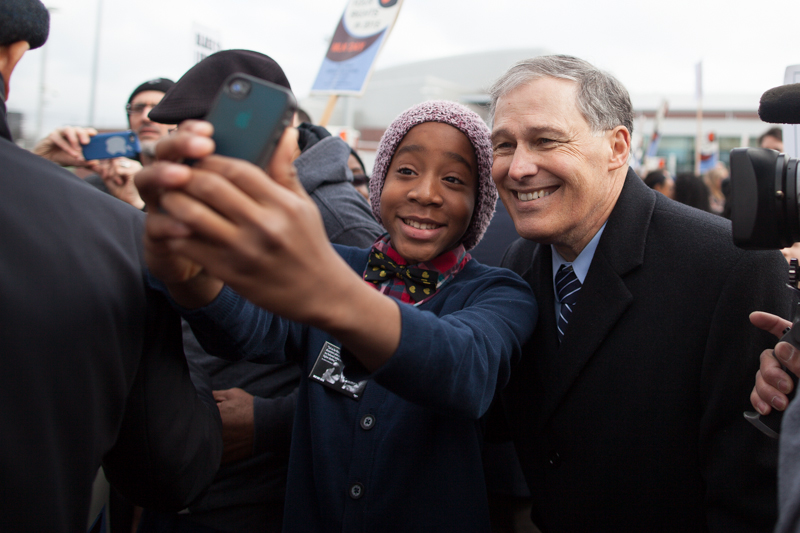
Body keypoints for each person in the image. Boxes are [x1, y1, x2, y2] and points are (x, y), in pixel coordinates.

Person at [135, 100, 537, 532]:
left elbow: (463, 370)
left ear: (479, 203)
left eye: (454, 180)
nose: (425, 192)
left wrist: (334, 293)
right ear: (379, 182)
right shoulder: (335, 265)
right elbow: (250, 328)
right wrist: (191, 279)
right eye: (406, 171)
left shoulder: (501, 293)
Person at [488, 54, 790, 532]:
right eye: (503, 145)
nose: (519, 167)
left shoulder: (731, 267)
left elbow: (748, 488)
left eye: (545, 140)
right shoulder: (519, 262)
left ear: (617, 147)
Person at [135, 49, 382, 533]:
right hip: (183, 476)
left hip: (260, 493)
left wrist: (273, 422)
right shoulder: (200, 201)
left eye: (214, 131)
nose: (198, 149)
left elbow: (386, 361)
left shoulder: (335, 218)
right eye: (180, 135)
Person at [0, 2, 222, 532]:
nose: (149, 121)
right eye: (140, 110)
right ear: (12, 59)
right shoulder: (111, 228)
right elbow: (170, 464)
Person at [33, 77, 176, 209]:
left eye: (158, 108)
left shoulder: (192, 184)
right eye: (138, 108)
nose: (146, 117)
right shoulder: (100, 185)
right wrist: (38, 161)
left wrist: (139, 207)